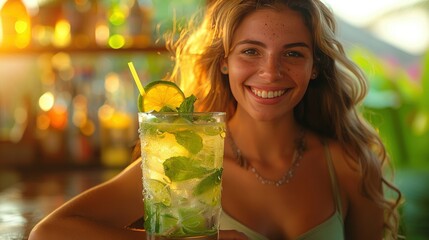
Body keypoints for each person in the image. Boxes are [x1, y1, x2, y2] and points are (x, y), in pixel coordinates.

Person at [29, 0, 402, 239]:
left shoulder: (349, 164)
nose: (270, 72)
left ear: (315, 67)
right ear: (224, 60)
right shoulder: (185, 161)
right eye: (251, 51)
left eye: (292, 53)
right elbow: (49, 233)